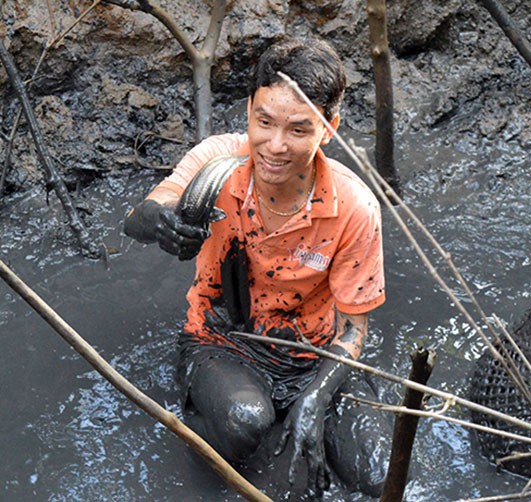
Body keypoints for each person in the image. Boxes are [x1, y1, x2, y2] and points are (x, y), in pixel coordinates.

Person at [124, 35, 391, 498]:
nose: (275, 145)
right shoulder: (218, 163)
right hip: (223, 339)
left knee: (378, 473)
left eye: (299, 130)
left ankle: (294, 421)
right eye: (263, 122)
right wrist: (161, 222)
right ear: (248, 109)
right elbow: (136, 221)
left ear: (329, 127)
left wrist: (315, 399)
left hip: (314, 356)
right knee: (246, 424)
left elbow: (353, 331)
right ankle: (211, 424)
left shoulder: (354, 207)